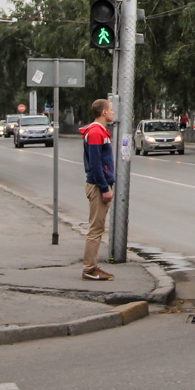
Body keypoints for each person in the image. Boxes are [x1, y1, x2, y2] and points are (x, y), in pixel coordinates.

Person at [80, 98, 115, 281]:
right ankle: (89, 269)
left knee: (98, 228)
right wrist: (104, 188)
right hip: (97, 186)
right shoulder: (95, 132)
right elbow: (95, 164)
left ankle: (92, 267)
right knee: (95, 229)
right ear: (103, 112)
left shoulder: (99, 131)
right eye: (111, 109)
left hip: (99, 184)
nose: (113, 112)